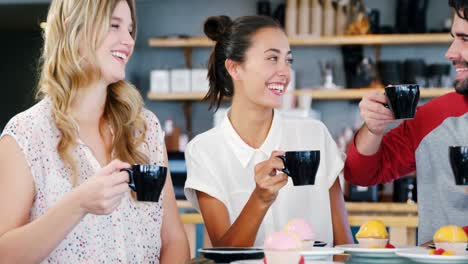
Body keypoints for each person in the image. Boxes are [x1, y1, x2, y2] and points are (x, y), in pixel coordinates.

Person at [0, 0, 189, 262]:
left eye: (130, 30)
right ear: (73, 30)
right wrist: (78, 204)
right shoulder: (26, 134)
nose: (129, 41)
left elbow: (173, 239)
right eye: (114, 26)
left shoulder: (145, 129)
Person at [184, 15, 353, 247]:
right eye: (272, 59)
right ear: (235, 68)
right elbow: (225, 255)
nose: (285, 72)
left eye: (288, 60)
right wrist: (260, 199)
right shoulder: (204, 151)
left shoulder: (315, 135)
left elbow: (344, 246)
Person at [344, 0, 468, 246]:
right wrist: (373, 129)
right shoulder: (436, 116)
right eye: (454, 38)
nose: (450, 52)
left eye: (465, 39)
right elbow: (360, 173)